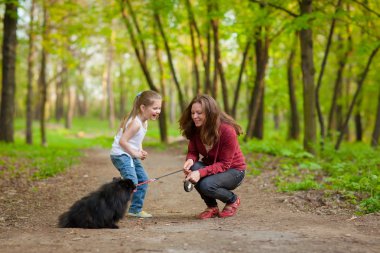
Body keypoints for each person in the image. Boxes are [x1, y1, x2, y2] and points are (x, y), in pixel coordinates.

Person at [179, 94, 246, 219]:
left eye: (199, 113)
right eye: (193, 113)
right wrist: (190, 159)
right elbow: (193, 151)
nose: (194, 116)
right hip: (214, 167)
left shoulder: (227, 131)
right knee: (194, 167)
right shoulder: (196, 129)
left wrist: (200, 173)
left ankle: (232, 199)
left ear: (210, 113)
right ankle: (212, 207)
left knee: (206, 184)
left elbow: (225, 164)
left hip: (234, 170)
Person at [110, 90, 162, 218]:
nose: (158, 111)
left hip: (130, 154)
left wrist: (140, 150)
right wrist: (135, 153)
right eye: (155, 108)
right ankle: (110, 201)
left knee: (143, 180)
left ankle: (135, 210)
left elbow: (136, 141)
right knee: (131, 182)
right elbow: (123, 141)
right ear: (143, 107)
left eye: (159, 108)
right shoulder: (135, 123)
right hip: (120, 154)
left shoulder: (144, 121)